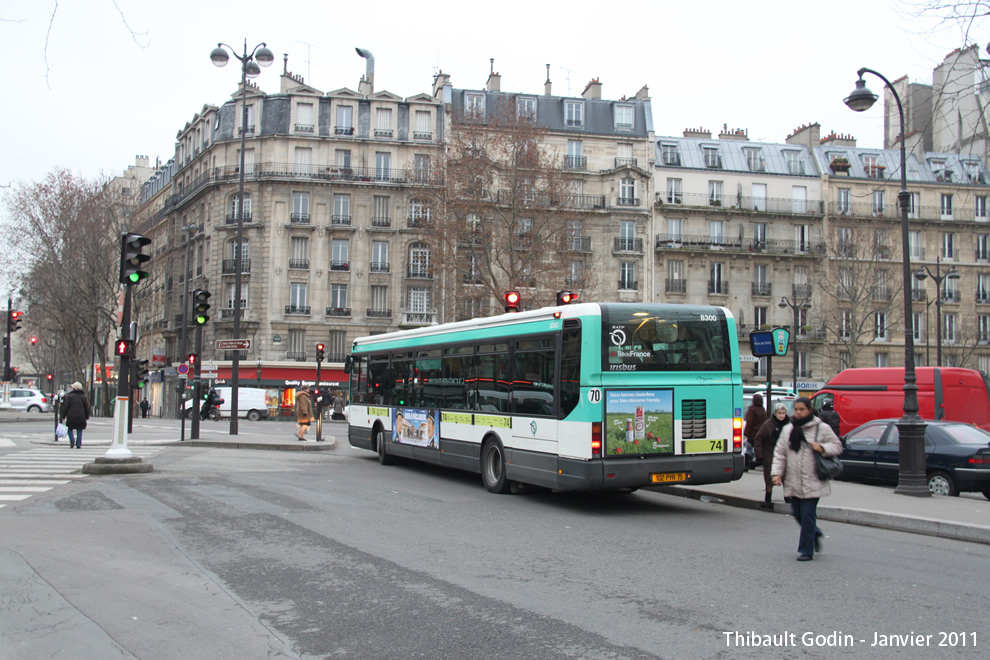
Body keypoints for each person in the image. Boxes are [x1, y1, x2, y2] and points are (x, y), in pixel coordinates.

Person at [771, 397, 843, 562]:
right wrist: (776, 474)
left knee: (808, 515)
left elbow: (837, 446)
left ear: (810, 410)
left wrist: (822, 447)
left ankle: (806, 550)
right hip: (793, 480)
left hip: (813, 479)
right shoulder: (788, 429)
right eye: (796, 409)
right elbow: (780, 453)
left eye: (802, 409)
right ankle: (815, 533)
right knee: (798, 514)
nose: (798, 412)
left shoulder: (821, 428)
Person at [755, 403, 789, 507]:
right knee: (770, 479)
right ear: (775, 413)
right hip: (770, 456)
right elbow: (758, 439)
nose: (782, 416)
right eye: (779, 413)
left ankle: (788, 498)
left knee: (787, 478)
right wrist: (760, 456)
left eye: (783, 413)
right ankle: (768, 498)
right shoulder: (768, 425)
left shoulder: (789, 424)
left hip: (786, 456)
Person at [60, 382, 91, 449]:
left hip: (71, 416)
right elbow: (86, 407)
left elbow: (66, 407)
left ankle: (72, 440)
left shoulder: (69, 396)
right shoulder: (83, 397)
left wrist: (63, 416)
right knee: (79, 430)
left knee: (69, 429)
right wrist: (87, 415)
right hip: (81, 416)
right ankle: (78, 444)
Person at [743, 393, 767, 468]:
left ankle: (747, 464)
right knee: (757, 447)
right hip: (760, 432)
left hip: (752, 433)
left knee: (748, 448)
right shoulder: (763, 410)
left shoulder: (752, 410)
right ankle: (757, 461)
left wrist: (746, 433)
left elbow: (749, 423)